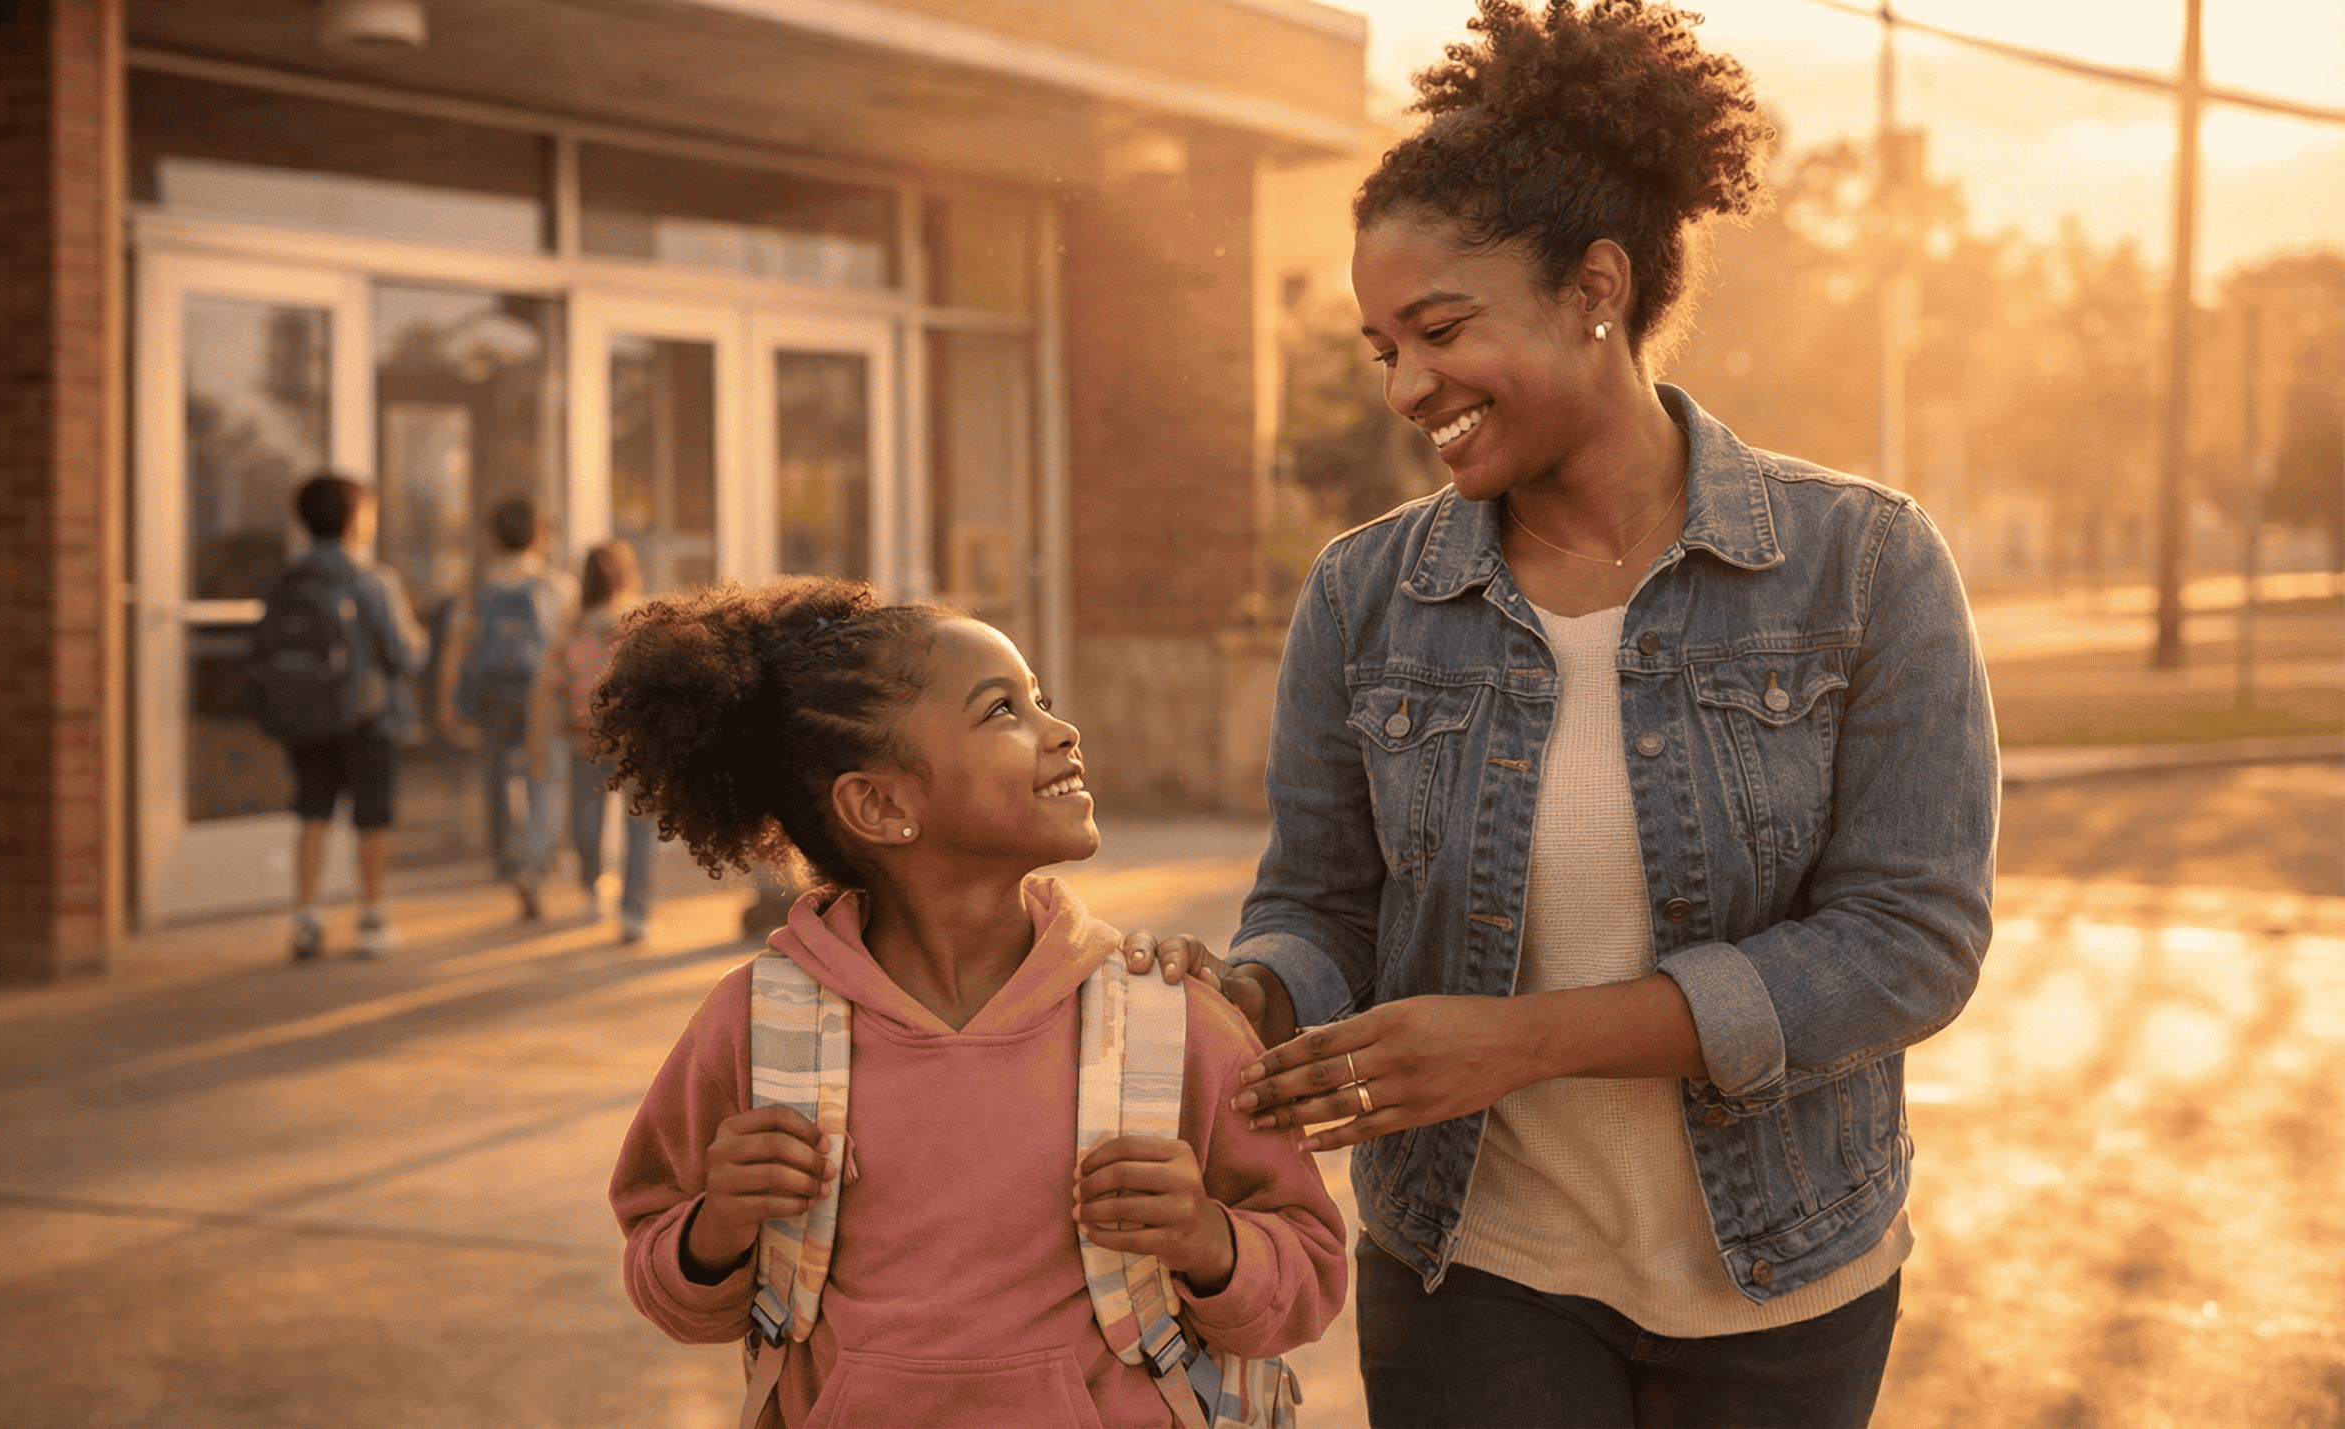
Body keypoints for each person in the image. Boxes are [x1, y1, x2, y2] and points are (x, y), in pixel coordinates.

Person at [1123, 4, 1999, 1425]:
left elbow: (1911, 944)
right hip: (1477, 1258)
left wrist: (1524, 1036)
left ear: (1597, 285)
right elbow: (1324, 904)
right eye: (1380, 348)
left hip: (1786, 1267)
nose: (1409, 388)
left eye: (1441, 330)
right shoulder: (1364, 596)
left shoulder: (1866, 564)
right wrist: (1255, 996)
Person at [595, 577, 1346, 1427]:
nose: (1061, 731)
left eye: (1042, 700)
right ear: (879, 804)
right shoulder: (756, 1025)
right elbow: (664, 1270)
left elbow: (1310, 1278)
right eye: (1002, 711)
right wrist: (715, 1229)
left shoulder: (1167, 1019)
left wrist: (1211, 1241)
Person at [257, 473, 427, 962]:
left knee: (312, 812)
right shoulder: (373, 581)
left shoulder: (287, 581)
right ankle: (372, 916)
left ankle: (305, 918)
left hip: (306, 716)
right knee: (371, 818)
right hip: (368, 719)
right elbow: (402, 653)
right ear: (356, 520)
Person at [441, 497, 580, 919]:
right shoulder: (558, 586)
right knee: (545, 779)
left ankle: (505, 861)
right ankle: (535, 865)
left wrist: (446, 701)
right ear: (539, 536)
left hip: (495, 696)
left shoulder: (479, 587)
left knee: (498, 780)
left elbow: (457, 644)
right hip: (544, 700)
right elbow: (572, 649)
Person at [526, 539, 655, 943]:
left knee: (589, 822)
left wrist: (538, 743)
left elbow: (548, 686)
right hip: (625, 743)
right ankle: (630, 908)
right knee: (633, 828)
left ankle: (607, 893)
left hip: (590, 741)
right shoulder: (640, 620)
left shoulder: (575, 625)